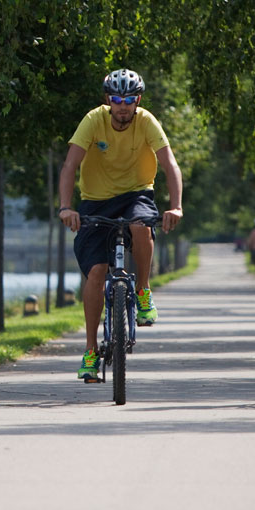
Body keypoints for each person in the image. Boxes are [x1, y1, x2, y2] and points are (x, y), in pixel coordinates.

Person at [58, 69, 184, 383]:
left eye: (129, 100)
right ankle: (89, 351)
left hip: (136, 194)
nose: (123, 106)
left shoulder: (147, 122)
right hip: (96, 202)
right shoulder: (92, 120)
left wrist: (176, 206)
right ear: (108, 100)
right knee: (97, 272)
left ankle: (143, 290)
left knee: (142, 225)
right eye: (117, 99)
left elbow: (169, 164)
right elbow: (70, 164)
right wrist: (65, 207)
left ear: (138, 100)